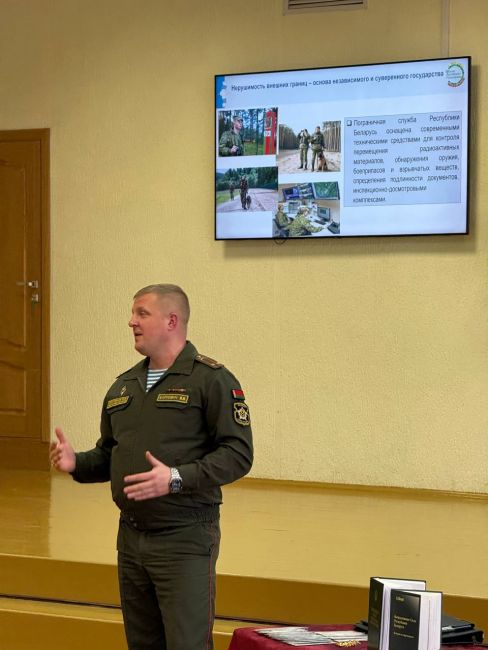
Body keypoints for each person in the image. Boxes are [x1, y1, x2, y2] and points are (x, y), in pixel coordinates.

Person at [50, 284, 253, 650]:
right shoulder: (123, 387)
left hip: (184, 538)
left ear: (172, 321)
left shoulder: (211, 380)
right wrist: (75, 462)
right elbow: (109, 454)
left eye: (142, 313)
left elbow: (238, 454)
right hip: (131, 539)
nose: (132, 322)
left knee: (187, 644)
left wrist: (175, 478)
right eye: (133, 314)